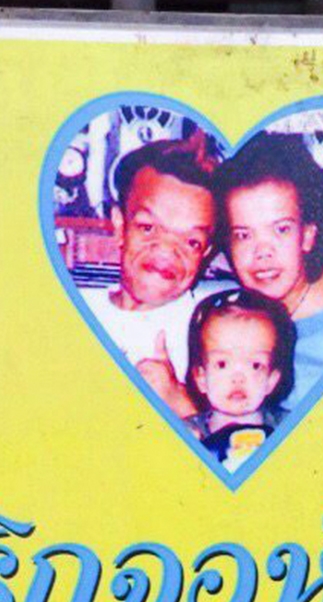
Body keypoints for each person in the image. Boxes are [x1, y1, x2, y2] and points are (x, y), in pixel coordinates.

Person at [214, 132, 323, 411]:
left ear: (307, 236)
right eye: (244, 235)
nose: (262, 252)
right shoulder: (228, 316)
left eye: (281, 229)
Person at [80, 131, 230, 418]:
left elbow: (245, 435)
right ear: (120, 226)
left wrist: (180, 402)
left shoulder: (222, 320)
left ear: (206, 253)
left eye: (191, 242)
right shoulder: (73, 306)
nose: (166, 251)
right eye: (148, 228)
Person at [183, 289, 295, 470]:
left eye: (255, 365)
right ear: (201, 378)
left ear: (271, 380)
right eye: (222, 364)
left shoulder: (291, 428)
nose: (238, 378)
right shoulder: (187, 433)